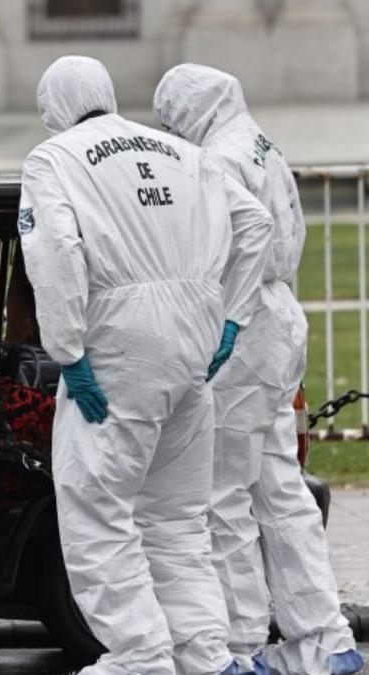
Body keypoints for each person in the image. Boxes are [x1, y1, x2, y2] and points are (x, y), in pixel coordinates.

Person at [19, 56, 274, 675]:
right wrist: (233, 318)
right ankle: (208, 656)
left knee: (98, 512)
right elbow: (255, 222)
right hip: (192, 349)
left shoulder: (54, 158)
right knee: (179, 520)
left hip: (117, 351)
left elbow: (54, 254)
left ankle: (141, 657)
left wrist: (68, 351)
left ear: (53, 103)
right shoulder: (184, 152)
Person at [155, 63, 365, 675]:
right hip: (279, 320)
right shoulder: (259, 144)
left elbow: (233, 245)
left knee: (223, 494)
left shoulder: (217, 158)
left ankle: (241, 643)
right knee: (280, 492)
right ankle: (324, 640)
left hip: (242, 327)